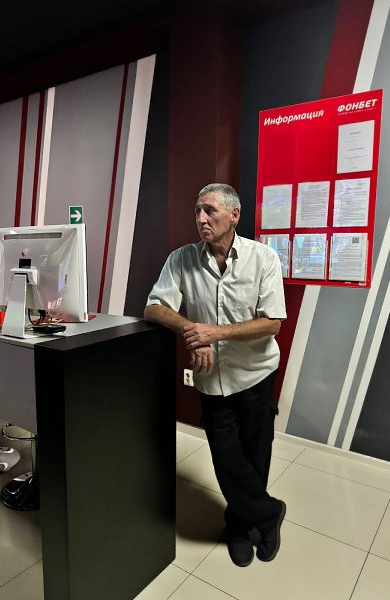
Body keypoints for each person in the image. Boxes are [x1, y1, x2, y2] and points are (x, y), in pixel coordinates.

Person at [144, 183, 287, 568]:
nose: (201, 219)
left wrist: (216, 333)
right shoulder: (182, 259)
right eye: (197, 211)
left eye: (210, 210)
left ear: (234, 215)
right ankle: (269, 513)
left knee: (255, 457)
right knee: (226, 460)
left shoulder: (263, 258)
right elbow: (154, 307)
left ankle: (239, 526)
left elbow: (272, 323)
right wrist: (193, 330)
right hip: (213, 381)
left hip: (256, 376)